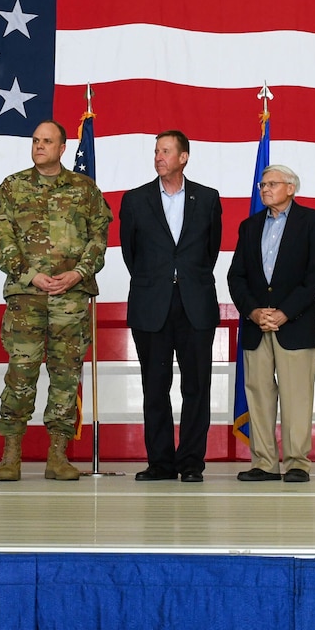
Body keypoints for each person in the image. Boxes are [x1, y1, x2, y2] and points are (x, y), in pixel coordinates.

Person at [0, 120, 110, 482]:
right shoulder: (12, 187)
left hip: (71, 299)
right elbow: (1, 238)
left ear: (62, 148)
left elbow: (98, 239)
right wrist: (30, 275)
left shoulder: (84, 189)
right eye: (36, 140)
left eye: (47, 141)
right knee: (21, 373)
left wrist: (78, 274)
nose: (39, 146)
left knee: (66, 375)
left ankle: (57, 455)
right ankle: (11, 453)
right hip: (27, 298)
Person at [118, 130, 223, 483]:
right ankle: (160, 463)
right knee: (154, 387)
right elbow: (131, 254)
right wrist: (159, 280)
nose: (158, 157)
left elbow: (210, 252)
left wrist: (184, 279)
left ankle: (191, 462)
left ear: (184, 157)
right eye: (156, 151)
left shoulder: (207, 199)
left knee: (197, 387)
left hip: (195, 304)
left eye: (166, 151)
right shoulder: (135, 200)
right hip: (152, 304)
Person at [226, 164, 315, 483]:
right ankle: (264, 462)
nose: (265, 189)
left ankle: (297, 461)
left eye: (272, 184)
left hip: (294, 323)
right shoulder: (249, 226)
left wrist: (284, 312)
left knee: (296, 395)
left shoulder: (312, 221)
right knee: (258, 393)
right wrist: (255, 312)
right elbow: (237, 276)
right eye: (262, 184)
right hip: (257, 325)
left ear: (291, 188)